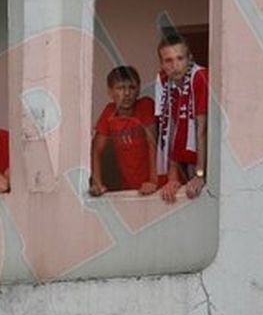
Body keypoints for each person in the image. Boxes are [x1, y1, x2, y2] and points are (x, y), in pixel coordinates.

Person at [154, 34, 209, 202]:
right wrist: (172, 178)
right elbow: (167, 128)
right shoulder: (162, 80)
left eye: (180, 58)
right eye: (168, 60)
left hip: (207, 158)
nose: (175, 65)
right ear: (162, 64)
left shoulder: (200, 77)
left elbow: (202, 129)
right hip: (182, 159)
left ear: (190, 58)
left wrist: (200, 175)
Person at [89, 66, 158, 196]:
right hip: (130, 187)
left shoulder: (146, 105)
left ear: (138, 90)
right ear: (110, 92)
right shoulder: (109, 112)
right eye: (120, 88)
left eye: (131, 87)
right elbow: (96, 149)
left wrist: (153, 181)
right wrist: (97, 182)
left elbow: (152, 143)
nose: (126, 93)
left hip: (158, 185)